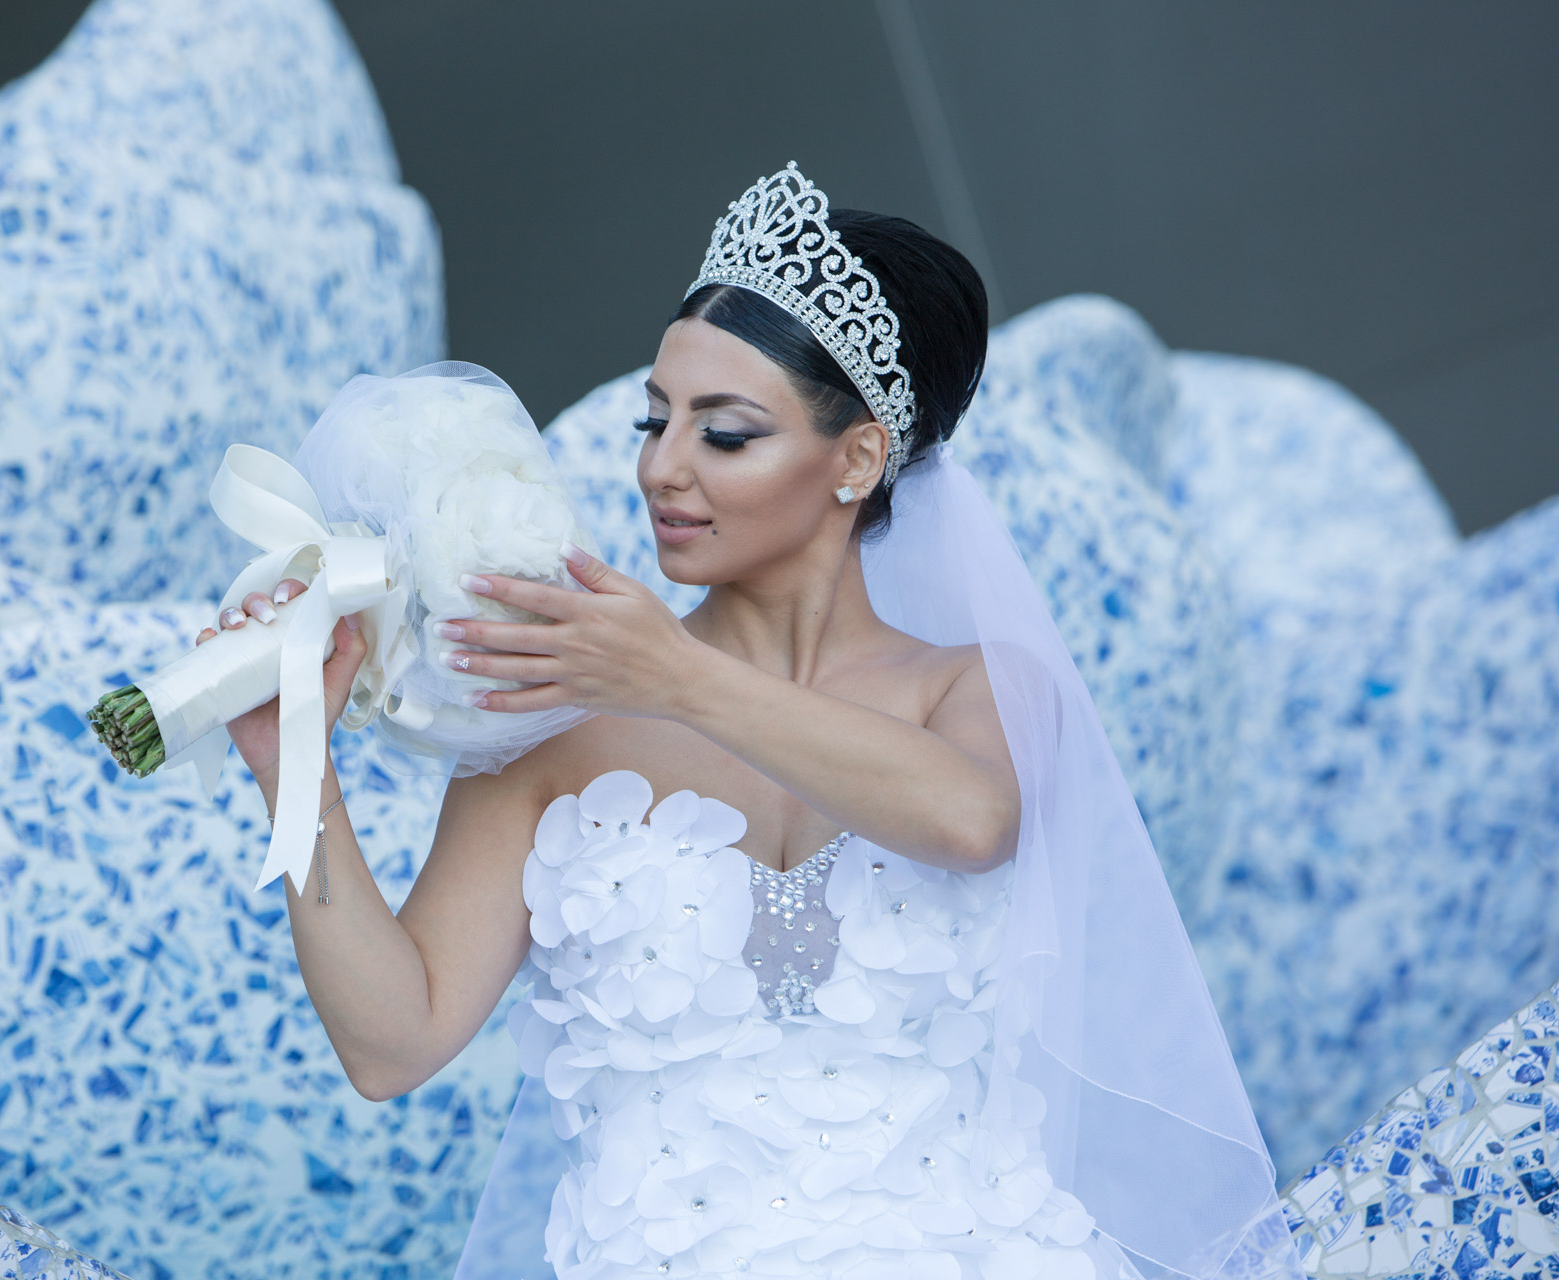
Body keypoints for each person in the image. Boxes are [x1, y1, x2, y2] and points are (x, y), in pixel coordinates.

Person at [196, 164, 1300, 1280]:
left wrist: (674, 675)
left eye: (723, 433)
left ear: (857, 458)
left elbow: (972, 823)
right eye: (654, 419)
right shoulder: (549, 725)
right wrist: (298, 771)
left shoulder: (976, 687)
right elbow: (392, 1044)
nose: (662, 467)